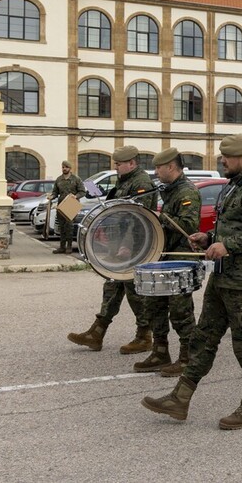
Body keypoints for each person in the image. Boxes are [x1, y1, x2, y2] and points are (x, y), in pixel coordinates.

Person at [142, 134, 242, 430]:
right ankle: (180, 397)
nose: (222, 160)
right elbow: (234, 229)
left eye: (227, 157)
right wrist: (210, 239)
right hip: (223, 277)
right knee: (203, 339)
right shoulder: (235, 187)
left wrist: (227, 246)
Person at [67, 145, 157, 354]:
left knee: (134, 292)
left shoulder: (141, 183)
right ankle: (97, 333)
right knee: (112, 287)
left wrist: (125, 245)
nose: (115, 167)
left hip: (135, 247)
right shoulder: (125, 181)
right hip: (119, 246)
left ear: (132, 163)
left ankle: (145, 336)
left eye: (118, 164)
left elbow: (138, 217)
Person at [133, 148, 201, 375]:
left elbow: (189, 225)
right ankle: (160, 351)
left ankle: (187, 357)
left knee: (180, 310)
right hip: (165, 254)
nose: (156, 172)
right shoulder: (170, 190)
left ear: (171, 167)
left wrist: (159, 217)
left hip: (180, 257)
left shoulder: (187, 192)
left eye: (159, 168)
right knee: (154, 304)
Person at [49, 160, 86, 254]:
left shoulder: (76, 179)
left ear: (70, 168)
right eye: (63, 167)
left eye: (66, 167)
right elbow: (55, 192)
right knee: (61, 226)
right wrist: (52, 196)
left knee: (69, 225)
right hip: (61, 204)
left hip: (71, 204)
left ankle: (69, 246)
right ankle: (62, 246)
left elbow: (82, 191)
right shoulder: (59, 179)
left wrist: (76, 196)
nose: (64, 169)